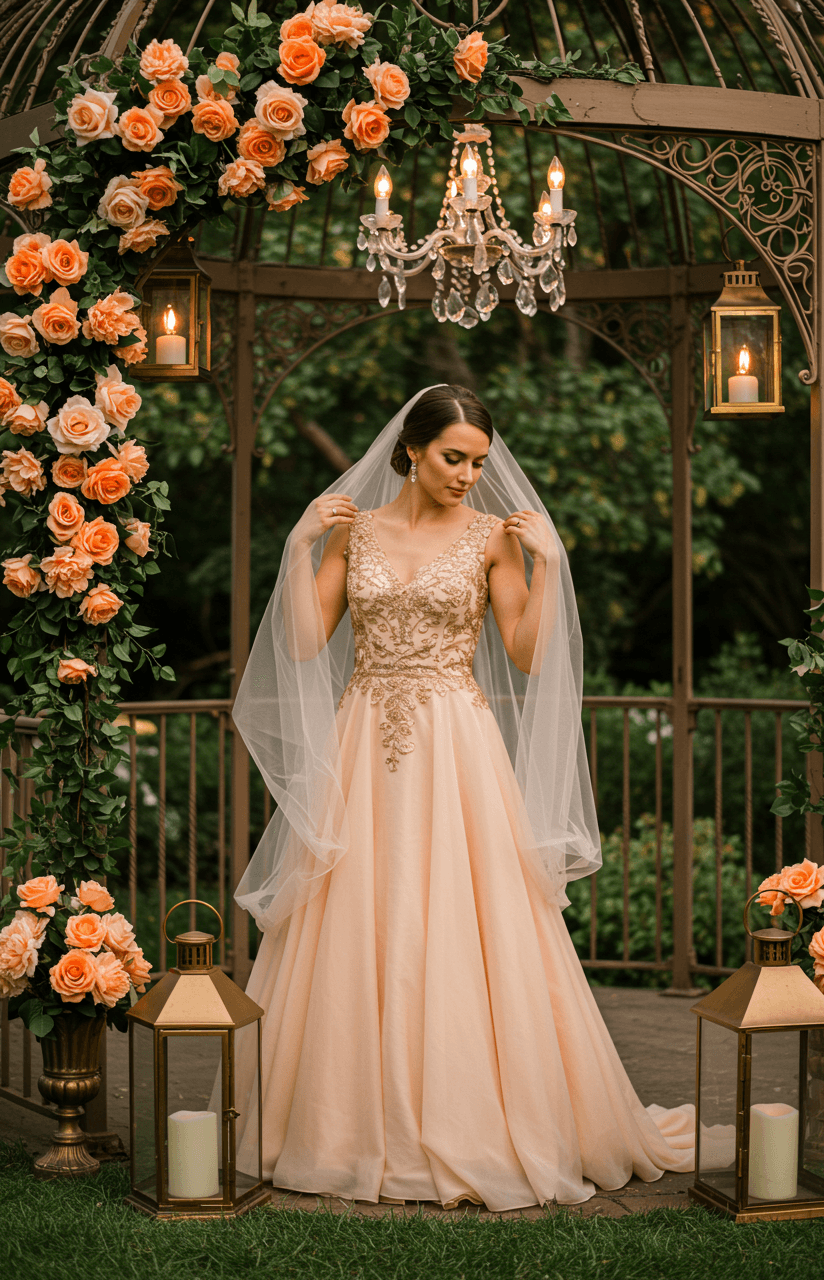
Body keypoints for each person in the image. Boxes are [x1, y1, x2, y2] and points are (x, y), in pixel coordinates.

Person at [230, 384, 698, 1210]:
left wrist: (550, 567)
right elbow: (304, 641)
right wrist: (301, 547)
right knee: (355, 918)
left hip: (457, 744)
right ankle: (341, 1123)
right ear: (410, 450)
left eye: (480, 462)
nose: (470, 476)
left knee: (463, 919)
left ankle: (474, 1114)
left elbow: (523, 653)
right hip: (364, 740)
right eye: (455, 458)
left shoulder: (493, 539)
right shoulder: (355, 530)